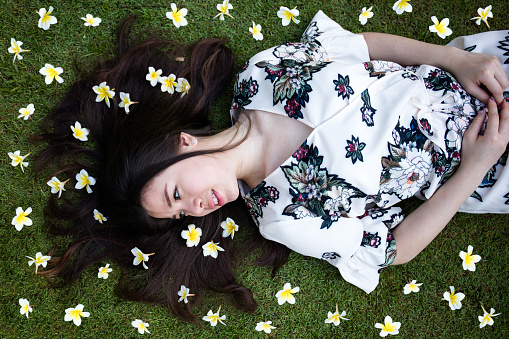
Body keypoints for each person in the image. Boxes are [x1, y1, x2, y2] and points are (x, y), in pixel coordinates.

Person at [37, 11, 509, 322]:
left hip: (479, 72)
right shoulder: (281, 216)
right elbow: (390, 250)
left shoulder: (261, 75)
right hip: (493, 160)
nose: (198, 210)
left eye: (177, 195)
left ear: (179, 144)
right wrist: (476, 166)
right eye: (182, 216)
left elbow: (361, 47)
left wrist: (456, 58)